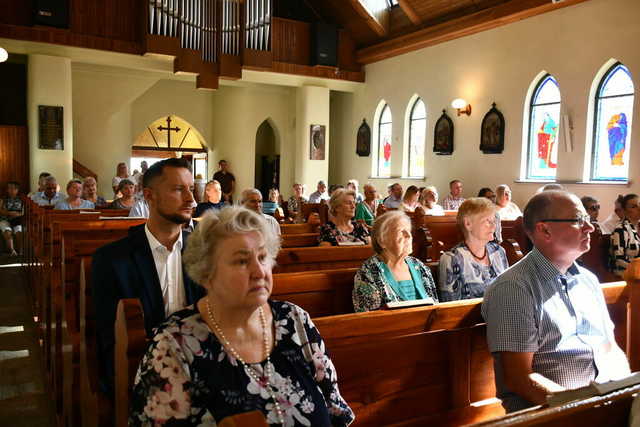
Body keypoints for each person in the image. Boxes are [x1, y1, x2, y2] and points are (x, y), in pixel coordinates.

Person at [129, 206, 354, 426]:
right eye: (242, 261)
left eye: (263, 257)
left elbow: (335, 410)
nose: (259, 272)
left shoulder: (294, 320)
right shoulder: (174, 344)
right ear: (206, 273)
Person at [482, 190, 630, 413]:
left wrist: (627, 396)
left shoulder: (588, 281)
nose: (590, 228)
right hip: (549, 416)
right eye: (579, 220)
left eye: (588, 220)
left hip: (601, 408)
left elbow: (610, 349)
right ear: (545, 229)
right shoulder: (514, 288)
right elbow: (520, 379)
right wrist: (584, 410)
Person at [92, 158, 203, 397]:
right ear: (150, 196)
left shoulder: (206, 254)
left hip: (202, 370)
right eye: (178, 189)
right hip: (143, 377)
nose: (191, 200)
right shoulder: (112, 261)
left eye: (191, 189)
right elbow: (109, 341)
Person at [352, 211, 438, 312]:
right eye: (401, 231)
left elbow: (435, 308)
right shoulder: (368, 273)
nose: (409, 235)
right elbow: (369, 320)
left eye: (408, 230)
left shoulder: (419, 266)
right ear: (382, 241)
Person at [438, 198, 509, 301]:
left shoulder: (499, 252)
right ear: (468, 224)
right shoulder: (451, 259)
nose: (494, 226)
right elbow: (451, 309)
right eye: (487, 221)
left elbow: (509, 292)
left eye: (494, 221)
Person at [610, 194, 640, 277]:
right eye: (634, 207)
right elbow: (619, 260)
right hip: (625, 274)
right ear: (625, 211)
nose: (639, 209)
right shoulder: (620, 230)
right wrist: (637, 269)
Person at [0, 181, 23, 256]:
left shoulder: (21, 199)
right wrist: (9, 213)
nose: (11, 190)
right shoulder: (3, 199)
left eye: (13, 188)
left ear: (17, 190)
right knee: (7, 231)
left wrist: (18, 214)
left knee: (19, 232)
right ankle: (12, 251)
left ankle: (20, 251)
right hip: (5, 219)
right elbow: (0, 210)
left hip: (17, 220)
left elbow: (24, 212)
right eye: (9, 188)